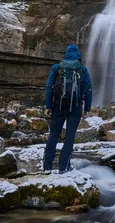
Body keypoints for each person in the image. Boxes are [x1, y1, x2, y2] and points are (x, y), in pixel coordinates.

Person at [42, 44, 92, 174]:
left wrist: (48, 106)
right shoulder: (82, 69)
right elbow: (88, 88)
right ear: (78, 55)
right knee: (70, 136)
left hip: (59, 105)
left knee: (54, 134)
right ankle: (64, 167)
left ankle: (47, 167)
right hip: (76, 106)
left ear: (66, 54)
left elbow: (49, 87)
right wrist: (87, 107)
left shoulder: (57, 68)